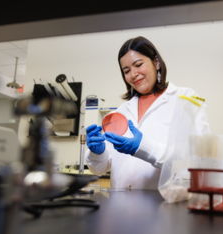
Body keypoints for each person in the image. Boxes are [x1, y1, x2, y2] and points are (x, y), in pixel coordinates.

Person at [86, 36, 210, 190]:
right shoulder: (122, 111)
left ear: (156, 62)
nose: (133, 74)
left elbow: (198, 159)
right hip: (121, 209)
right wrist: (97, 153)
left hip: (165, 208)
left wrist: (144, 148)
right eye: (126, 70)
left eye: (138, 65)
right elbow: (99, 168)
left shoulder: (186, 99)